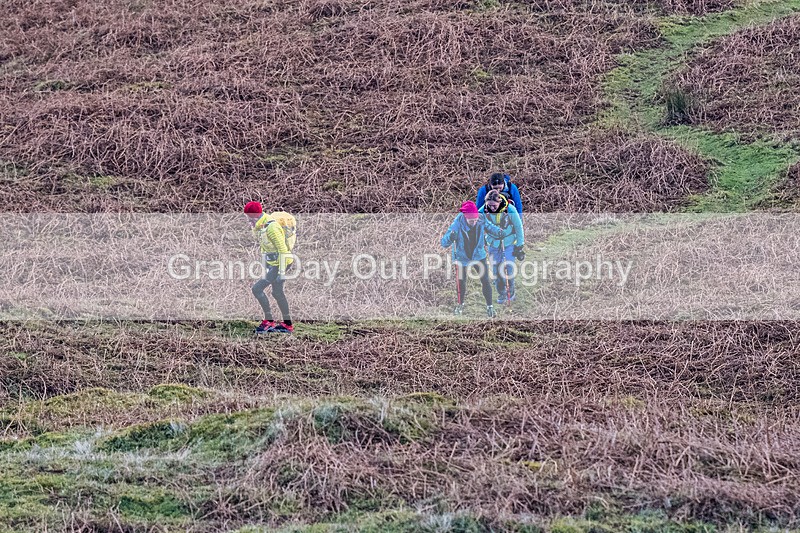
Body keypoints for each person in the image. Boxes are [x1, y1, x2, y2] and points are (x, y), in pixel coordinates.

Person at [440, 201, 502, 318]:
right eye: (471, 221)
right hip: (462, 256)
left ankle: (490, 307)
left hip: (478, 255)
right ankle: (460, 305)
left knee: (485, 281)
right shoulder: (457, 223)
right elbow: (444, 243)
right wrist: (451, 237)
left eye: (475, 220)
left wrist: (499, 232)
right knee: (461, 282)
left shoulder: (481, 218)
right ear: (465, 217)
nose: (474, 222)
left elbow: (490, 227)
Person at [245, 201, 294, 334]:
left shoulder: (271, 227)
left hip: (282, 263)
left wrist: (281, 273)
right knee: (277, 293)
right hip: (274, 264)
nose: (248, 220)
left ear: (255, 215)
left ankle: (269, 321)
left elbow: (283, 250)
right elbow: (264, 247)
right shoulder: (260, 227)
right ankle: (287, 325)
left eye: (249, 217)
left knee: (257, 289)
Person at [479, 190, 524, 304]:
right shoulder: (483, 211)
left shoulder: (510, 210)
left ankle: (511, 292)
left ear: (499, 202)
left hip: (508, 242)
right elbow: (475, 221)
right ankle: (501, 293)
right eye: (489, 205)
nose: (492, 208)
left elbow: (519, 227)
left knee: (508, 268)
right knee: (496, 270)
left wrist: (519, 245)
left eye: (494, 205)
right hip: (493, 243)